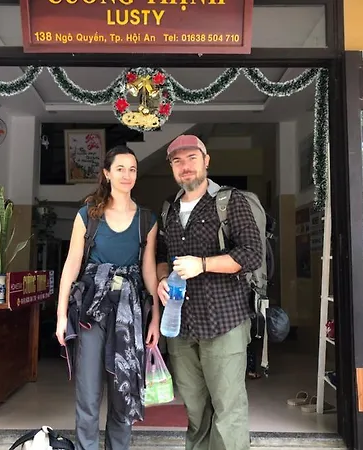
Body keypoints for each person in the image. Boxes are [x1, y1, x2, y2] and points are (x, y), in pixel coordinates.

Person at [156, 135, 262, 450]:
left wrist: (203, 264)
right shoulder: (169, 209)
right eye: (177, 161)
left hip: (223, 322)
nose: (185, 166)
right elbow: (162, 254)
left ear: (206, 160)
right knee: (195, 410)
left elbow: (251, 254)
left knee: (228, 409)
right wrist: (161, 278)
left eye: (192, 158)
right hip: (181, 325)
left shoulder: (230, 201)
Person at [56, 145, 161, 450]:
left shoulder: (146, 220)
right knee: (88, 391)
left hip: (130, 311)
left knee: (123, 389)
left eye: (132, 169)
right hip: (91, 310)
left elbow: (149, 271)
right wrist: (61, 315)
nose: (127, 175)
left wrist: (155, 318)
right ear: (107, 173)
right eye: (120, 169)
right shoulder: (88, 215)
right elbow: (71, 265)